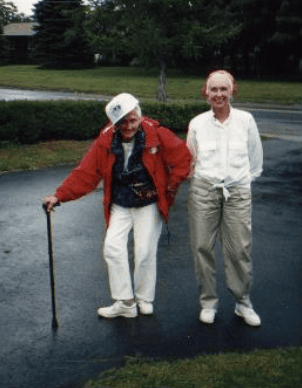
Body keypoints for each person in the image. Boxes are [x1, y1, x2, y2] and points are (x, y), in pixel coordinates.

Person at [44, 93, 191, 318]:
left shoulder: (157, 133)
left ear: (139, 117)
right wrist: (59, 195)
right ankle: (125, 302)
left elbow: (182, 157)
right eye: (122, 122)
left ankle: (144, 298)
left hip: (148, 202)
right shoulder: (105, 141)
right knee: (113, 248)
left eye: (132, 120)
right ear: (114, 123)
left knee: (144, 251)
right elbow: (86, 173)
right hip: (120, 203)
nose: (128, 126)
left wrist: (170, 186)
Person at [186, 70, 263, 326]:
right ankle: (208, 302)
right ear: (205, 92)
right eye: (213, 89)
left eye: (223, 89)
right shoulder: (197, 123)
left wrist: (240, 182)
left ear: (233, 91)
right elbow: (190, 162)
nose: (218, 94)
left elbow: (255, 161)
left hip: (238, 191)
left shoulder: (246, 121)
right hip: (204, 191)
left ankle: (243, 302)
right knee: (202, 247)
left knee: (239, 249)